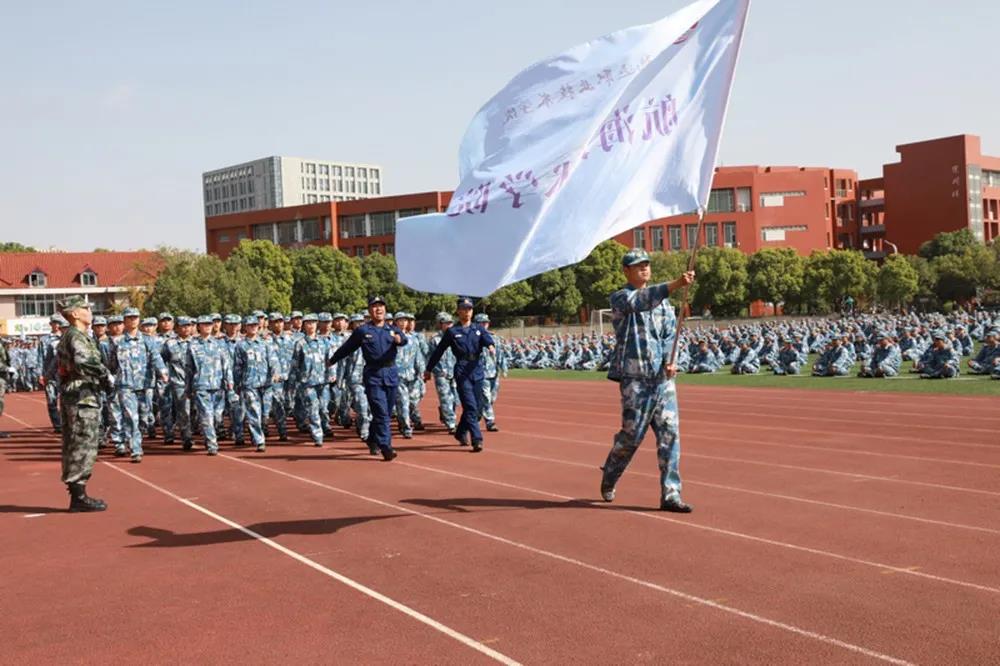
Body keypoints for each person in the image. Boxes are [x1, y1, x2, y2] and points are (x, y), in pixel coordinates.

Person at [598, 248, 695, 513]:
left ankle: (671, 494)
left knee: (670, 435)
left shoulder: (664, 304)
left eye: (646, 265)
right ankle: (610, 474)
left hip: (662, 381)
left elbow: (669, 336)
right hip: (635, 381)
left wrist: (671, 360)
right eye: (637, 265)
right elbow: (639, 301)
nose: (644, 268)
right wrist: (676, 284)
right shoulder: (621, 297)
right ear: (626, 271)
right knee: (631, 437)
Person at [328, 296, 408, 461]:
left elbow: (404, 340)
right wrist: (333, 360)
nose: (378, 310)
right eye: (374, 307)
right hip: (373, 375)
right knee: (381, 412)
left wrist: (399, 340)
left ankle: (372, 438)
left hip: (391, 374)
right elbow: (347, 348)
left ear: (385, 310)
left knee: (385, 412)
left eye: (381, 306)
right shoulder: (363, 331)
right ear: (369, 311)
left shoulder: (392, 329)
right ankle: (386, 446)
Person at [55, 296, 114, 512]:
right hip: (82, 399)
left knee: (76, 443)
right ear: (75, 313)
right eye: (85, 308)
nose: (90, 311)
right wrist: (104, 374)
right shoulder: (76, 336)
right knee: (83, 445)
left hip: (79, 397)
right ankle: (79, 498)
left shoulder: (74, 336)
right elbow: (83, 361)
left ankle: (77, 494)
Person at [424, 297, 496, 453]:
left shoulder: (478, 329)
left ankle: (460, 431)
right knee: (469, 406)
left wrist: (491, 347)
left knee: (477, 408)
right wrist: (428, 369)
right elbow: (438, 351)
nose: (467, 312)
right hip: (462, 371)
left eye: (469, 309)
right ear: (458, 311)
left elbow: (487, 339)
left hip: (476, 369)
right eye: (464, 309)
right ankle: (477, 439)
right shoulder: (452, 331)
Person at [186, 315, 233, 455]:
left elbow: (227, 366)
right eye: (204, 324)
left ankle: (209, 438)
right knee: (206, 415)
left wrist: (229, 384)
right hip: (201, 386)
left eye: (209, 324)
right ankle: (212, 444)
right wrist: (188, 388)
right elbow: (189, 369)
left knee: (217, 417)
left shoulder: (220, 344)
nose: (207, 326)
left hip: (218, 386)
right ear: (199, 326)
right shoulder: (193, 346)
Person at [234, 316, 280, 452]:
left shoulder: (265, 344)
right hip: (249, 384)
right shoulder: (240, 345)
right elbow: (237, 367)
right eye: (250, 325)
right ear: (245, 327)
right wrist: (237, 385)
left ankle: (256, 432)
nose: (253, 327)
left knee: (264, 414)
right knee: (254, 412)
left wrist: (276, 372)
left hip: (266, 384)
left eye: (255, 325)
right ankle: (260, 440)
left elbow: (273, 360)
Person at [427, 313, 458, 434]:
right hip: (441, 373)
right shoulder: (435, 339)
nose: (449, 325)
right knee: (445, 398)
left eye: (451, 323)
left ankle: (445, 413)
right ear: (440, 324)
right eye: (446, 323)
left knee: (455, 399)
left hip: (455, 372)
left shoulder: (456, 336)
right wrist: (429, 370)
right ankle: (451, 423)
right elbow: (430, 356)